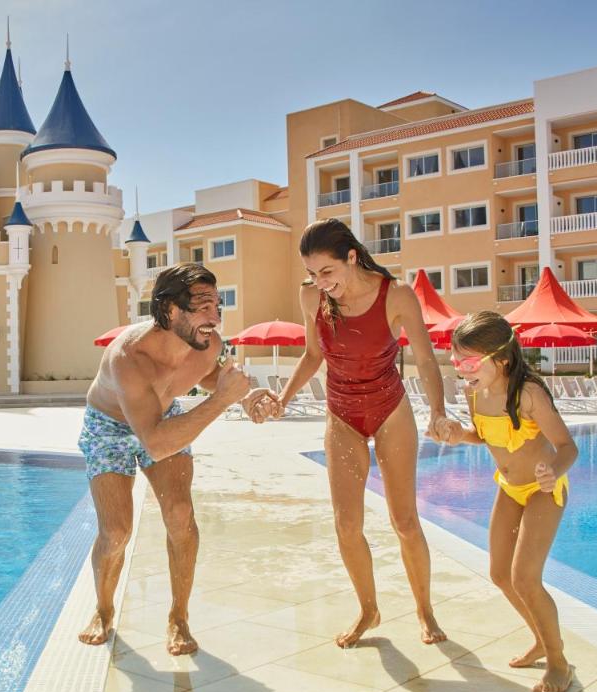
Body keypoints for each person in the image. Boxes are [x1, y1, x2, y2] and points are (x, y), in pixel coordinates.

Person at [257, 218, 450, 647]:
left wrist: (437, 411)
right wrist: (283, 398)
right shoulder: (312, 297)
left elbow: (425, 359)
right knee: (346, 525)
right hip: (342, 413)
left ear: (351, 257)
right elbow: (313, 354)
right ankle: (368, 610)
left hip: (390, 410)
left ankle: (425, 610)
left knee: (405, 522)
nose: (320, 282)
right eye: (312, 273)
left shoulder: (396, 295)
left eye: (327, 271)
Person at [77, 263, 269, 655]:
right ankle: (103, 608)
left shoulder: (208, 343)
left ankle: (178, 617)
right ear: (170, 310)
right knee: (116, 532)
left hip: (162, 416)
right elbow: (156, 444)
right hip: (110, 427)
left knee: (181, 515)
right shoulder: (129, 358)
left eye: (217, 306)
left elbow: (211, 376)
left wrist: (246, 396)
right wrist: (222, 401)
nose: (215, 318)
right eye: (203, 307)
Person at [442, 310, 577, 692]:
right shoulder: (474, 392)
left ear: (501, 359)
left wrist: (554, 471)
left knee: (525, 578)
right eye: (456, 362)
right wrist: (459, 435)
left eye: (469, 362)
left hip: (543, 490)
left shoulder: (528, 394)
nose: (461, 370)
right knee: (501, 574)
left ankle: (558, 661)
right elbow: (483, 436)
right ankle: (541, 639)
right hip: (509, 487)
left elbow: (567, 447)